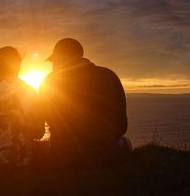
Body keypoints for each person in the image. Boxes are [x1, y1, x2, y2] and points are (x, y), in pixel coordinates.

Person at [39, 38, 131, 168]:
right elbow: (121, 125)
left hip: (63, 156)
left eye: (54, 60)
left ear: (61, 58)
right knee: (126, 143)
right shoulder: (109, 76)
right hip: (104, 155)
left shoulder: (48, 82)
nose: (53, 65)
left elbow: (46, 118)